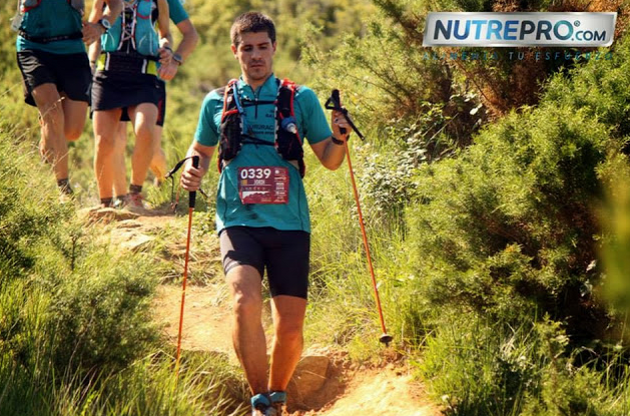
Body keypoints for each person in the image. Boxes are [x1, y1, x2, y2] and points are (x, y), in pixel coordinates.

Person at [180, 12, 350, 416]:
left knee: (290, 328)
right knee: (243, 300)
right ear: (235, 51)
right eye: (247, 48)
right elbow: (201, 150)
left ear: (274, 48)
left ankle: (277, 394)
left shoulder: (301, 99)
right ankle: (260, 401)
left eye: (262, 47)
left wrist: (341, 136)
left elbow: (328, 158)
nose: (255, 55)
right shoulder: (215, 102)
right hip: (238, 220)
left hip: (291, 223)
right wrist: (192, 167)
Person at [88, 0, 199, 208]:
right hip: (108, 72)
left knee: (146, 131)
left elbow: (167, 34)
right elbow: (92, 31)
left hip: (144, 73)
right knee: (105, 142)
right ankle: (105, 203)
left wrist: (169, 52)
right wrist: (90, 62)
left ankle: (134, 193)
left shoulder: (161, 2)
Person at [15, 0, 122, 196]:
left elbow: (116, 3)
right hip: (32, 47)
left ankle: (46, 123)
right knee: (54, 113)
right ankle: (64, 188)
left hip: (71, 49)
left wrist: (101, 26)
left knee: (72, 131)